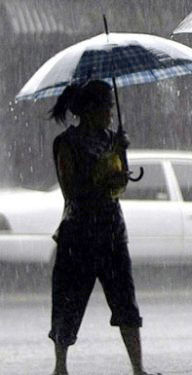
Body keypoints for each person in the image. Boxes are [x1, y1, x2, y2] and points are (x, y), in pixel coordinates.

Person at [48, 80, 159, 375]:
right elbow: (71, 190)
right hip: (78, 235)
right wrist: (101, 179)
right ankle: (60, 367)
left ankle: (138, 369)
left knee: (125, 302)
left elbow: (120, 185)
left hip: (112, 233)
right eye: (106, 106)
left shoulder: (113, 140)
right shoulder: (66, 143)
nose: (111, 112)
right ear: (89, 109)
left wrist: (121, 154)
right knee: (68, 304)